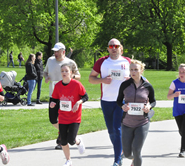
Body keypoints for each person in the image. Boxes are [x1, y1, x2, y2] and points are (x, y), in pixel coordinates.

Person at [89, 38, 131, 166]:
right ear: (108, 48)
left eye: (116, 46)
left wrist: (130, 79)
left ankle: (117, 159)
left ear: (120, 48)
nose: (113, 48)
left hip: (122, 101)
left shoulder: (127, 61)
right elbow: (91, 79)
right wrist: (102, 80)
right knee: (111, 131)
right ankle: (121, 150)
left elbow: (138, 77)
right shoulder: (102, 62)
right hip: (106, 100)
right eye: (111, 46)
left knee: (117, 129)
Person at [117, 59, 156, 166]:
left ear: (141, 71)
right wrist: (123, 106)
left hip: (142, 122)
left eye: (136, 69)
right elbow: (118, 101)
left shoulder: (148, 86)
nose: (133, 72)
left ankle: (137, 160)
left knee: (137, 150)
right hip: (127, 122)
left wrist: (149, 106)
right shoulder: (125, 85)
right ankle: (134, 160)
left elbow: (153, 101)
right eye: (131, 69)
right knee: (128, 153)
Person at [44, 42, 81, 149]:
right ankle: (64, 131)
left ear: (63, 52)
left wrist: (71, 76)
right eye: (54, 51)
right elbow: (45, 72)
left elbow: (78, 76)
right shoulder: (50, 61)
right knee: (52, 119)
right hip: (54, 95)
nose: (55, 53)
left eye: (57, 51)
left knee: (63, 118)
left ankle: (62, 138)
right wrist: (46, 77)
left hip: (67, 96)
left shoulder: (70, 62)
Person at [50, 63, 88, 166]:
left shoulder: (76, 84)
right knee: (63, 140)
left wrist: (78, 103)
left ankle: (78, 141)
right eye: (62, 71)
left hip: (75, 117)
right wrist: (53, 103)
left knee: (71, 140)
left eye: (66, 71)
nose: (64, 73)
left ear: (71, 73)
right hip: (62, 117)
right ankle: (68, 160)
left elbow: (85, 97)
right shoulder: (58, 86)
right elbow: (54, 99)